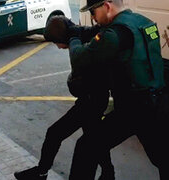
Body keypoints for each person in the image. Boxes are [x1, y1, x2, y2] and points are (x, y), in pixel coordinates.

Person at [57, 0, 168, 179]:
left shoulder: (115, 35)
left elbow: (79, 59)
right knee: (163, 158)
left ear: (107, 6)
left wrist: (73, 39)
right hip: (157, 102)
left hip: (133, 109)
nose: (93, 18)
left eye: (93, 12)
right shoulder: (144, 22)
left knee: (87, 148)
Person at [14, 16, 115, 180]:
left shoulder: (80, 42)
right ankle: (108, 173)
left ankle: (41, 172)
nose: (58, 47)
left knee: (56, 134)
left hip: (92, 101)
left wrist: (75, 83)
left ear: (62, 37)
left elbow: (85, 70)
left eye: (56, 42)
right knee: (95, 140)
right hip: (90, 100)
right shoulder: (80, 36)